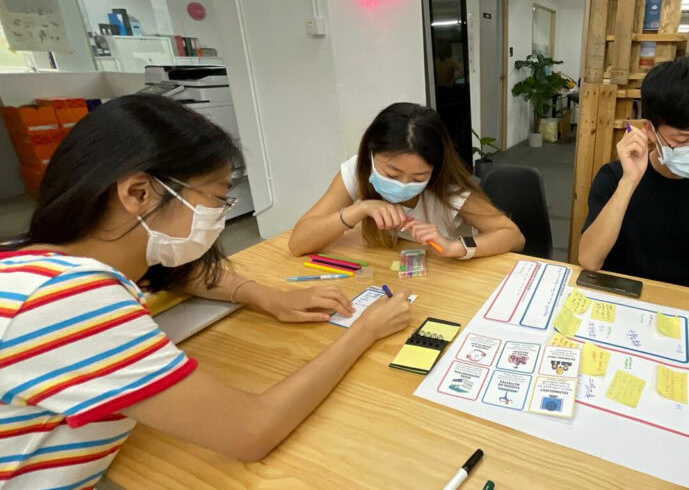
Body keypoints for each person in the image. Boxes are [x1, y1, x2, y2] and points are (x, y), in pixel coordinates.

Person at [0, 95, 411, 486]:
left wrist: (267, 296)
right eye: (216, 198)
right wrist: (364, 331)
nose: (220, 214)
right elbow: (251, 431)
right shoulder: (71, 301)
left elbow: (182, 274)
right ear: (137, 192)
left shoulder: (33, 261)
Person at [578, 56, 689, 291]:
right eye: (682, 140)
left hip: (677, 309)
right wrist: (629, 182)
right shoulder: (613, 177)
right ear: (650, 130)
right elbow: (589, 260)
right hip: (617, 296)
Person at [289, 102, 524, 259]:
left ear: (435, 168)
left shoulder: (448, 188)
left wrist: (454, 246)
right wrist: (359, 210)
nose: (403, 184)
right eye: (392, 174)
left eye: (419, 177)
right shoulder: (356, 170)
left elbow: (514, 237)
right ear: (371, 154)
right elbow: (298, 243)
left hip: (452, 276)